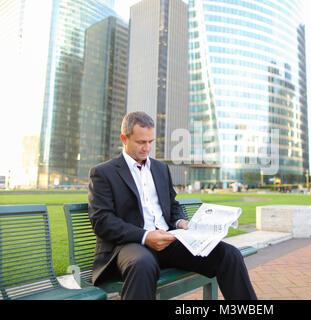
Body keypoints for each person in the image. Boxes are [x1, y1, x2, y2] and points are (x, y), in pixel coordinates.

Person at [88, 111, 257, 300]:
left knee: (229, 254)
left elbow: (172, 205)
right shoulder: (104, 173)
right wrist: (146, 236)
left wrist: (179, 222)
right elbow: (102, 221)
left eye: (151, 141)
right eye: (141, 142)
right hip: (131, 245)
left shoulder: (160, 169)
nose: (147, 148)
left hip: (169, 241)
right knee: (142, 264)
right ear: (124, 139)